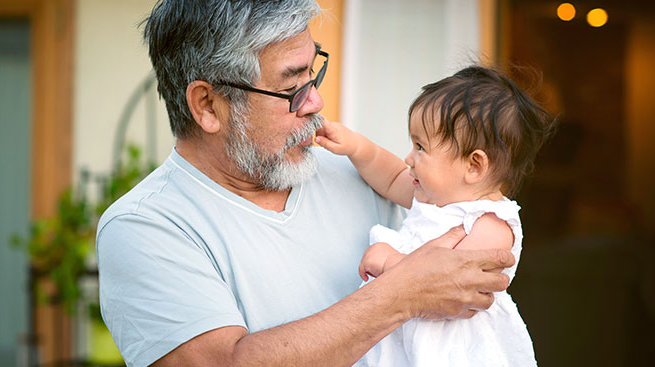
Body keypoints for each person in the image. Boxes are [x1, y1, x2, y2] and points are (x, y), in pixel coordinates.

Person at [96, 1, 514, 366]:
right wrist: (401, 293)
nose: (315, 101)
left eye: (313, 75)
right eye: (291, 87)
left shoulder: (358, 175)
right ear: (208, 105)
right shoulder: (144, 227)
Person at [316, 65, 555, 366]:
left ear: (474, 166)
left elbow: (452, 285)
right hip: (402, 334)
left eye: (420, 147)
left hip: (452, 349)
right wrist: (357, 147)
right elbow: (390, 177)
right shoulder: (431, 196)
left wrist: (390, 262)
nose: (408, 158)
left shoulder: (492, 224)